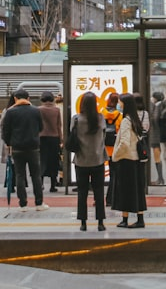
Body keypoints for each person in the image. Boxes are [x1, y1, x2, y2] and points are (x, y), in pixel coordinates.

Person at [1, 88, 46, 211]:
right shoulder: (36, 111)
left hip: (17, 147)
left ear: (15, 99)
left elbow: (5, 131)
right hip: (33, 147)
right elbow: (41, 127)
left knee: (20, 175)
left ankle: (23, 204)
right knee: (36, 175)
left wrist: (9, 143)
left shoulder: (10, 112)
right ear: (28, 98)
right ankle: (39, 203)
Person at [71, 91, 107, 231]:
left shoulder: (76, 119)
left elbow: (71, 135)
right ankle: (100, 222)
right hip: (97, 160)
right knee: (99, 192)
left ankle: (83, 223)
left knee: (82, 192)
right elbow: (103, 137)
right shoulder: (100, 118)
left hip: (81, 161)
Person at [111, 93, 147, 228]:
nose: (118, 105)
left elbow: (124, 142)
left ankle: (126, 219)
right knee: (136, 191)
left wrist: (116, 155)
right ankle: (138, 219)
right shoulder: (135, 119)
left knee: (125, 191)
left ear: (125, 104)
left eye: (120, 103)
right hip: (136, 160)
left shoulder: (126, 121)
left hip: (126, 160)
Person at [37, 91, 62, 193]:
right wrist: (61, 139)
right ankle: (53, 185)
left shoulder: (38, 110)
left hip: (41, 138)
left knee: (41, 161)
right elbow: (59, 125)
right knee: (53, 161)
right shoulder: (56, 110)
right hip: (54, 138)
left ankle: (40, 184)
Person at [102, 93, 122, 204]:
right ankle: (111, 198)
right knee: (114, 175)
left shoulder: (101, 114)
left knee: (99, 175)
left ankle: (99, 198)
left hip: (102, 148)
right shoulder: (120, 116)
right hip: (115, 149)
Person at [150, 91, 165, 186]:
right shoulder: (162, 105)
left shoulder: (154, 106)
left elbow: (154, 119)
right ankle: (160, 178)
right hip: (158, 134)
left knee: (157, 157)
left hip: (154, 134)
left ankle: (160, 178)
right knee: (157, 156)